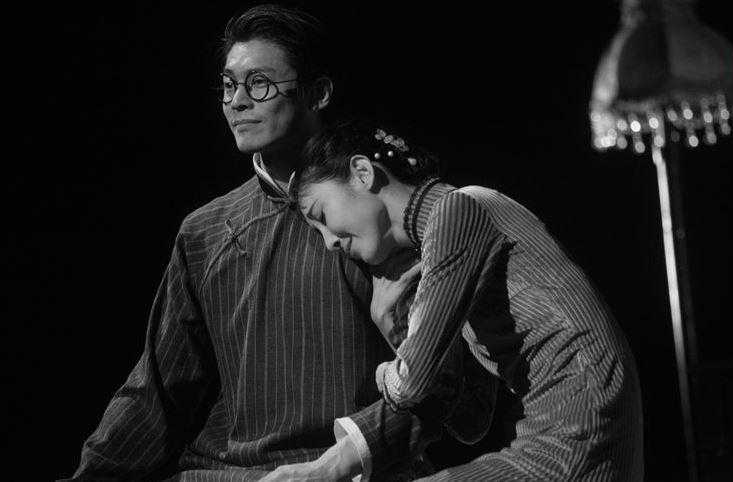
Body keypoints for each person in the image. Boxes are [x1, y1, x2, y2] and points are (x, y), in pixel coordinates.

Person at [69, 6, 430, 481]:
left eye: (259, 83)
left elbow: (435, 386)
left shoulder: (377, 211)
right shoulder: (205, 231)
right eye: (228, 86)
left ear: (318, 93)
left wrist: (342, 461)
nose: (237, 101)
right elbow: (157, 392)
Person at [294, 121, 646, 480]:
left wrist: (386, 373)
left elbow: (409, 384)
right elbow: (471, 421)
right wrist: (390, 322)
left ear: (362, 172)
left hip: (578, 427)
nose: (329, 243)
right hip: (577, 426)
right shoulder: (443, 246)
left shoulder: (459, 210)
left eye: (321, 216)